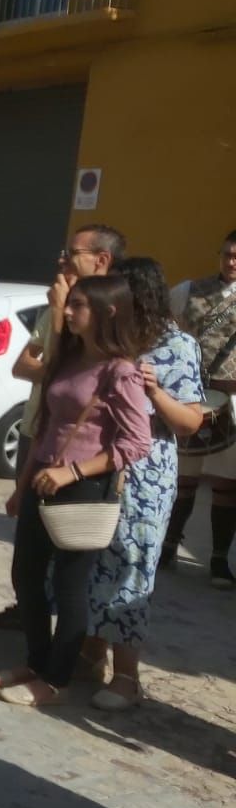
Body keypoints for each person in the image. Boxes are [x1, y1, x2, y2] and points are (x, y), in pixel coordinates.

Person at [0, 274, 152, 707]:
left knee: (69, 586)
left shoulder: (120, 371)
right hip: (42, 475)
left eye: (77, 305)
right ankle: (36, 660)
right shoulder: (68, 358)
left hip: (83, 486)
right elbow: (46, 427)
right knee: (25, 575)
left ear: (108, 311)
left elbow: (136, 442)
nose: (67, 311)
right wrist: (23, 483)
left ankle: (56, 679)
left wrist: (75, 472)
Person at [0, 224, 125, 630]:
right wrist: (54, 324)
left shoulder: (104, 311)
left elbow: (58, 366)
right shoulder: (53, 307)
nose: (61, 259)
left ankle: (64, 644)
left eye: (72, 252)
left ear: (102, 259)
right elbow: (24, 365)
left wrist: (60, 319)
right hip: (37, 428)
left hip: (80, 452)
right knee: (29, 542)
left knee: (71, 555)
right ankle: (30, 613)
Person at [77, 258, 203, 709]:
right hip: (101, 462)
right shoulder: (113, 340)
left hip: (147, 476)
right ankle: (89, 655)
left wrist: (155, 392)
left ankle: (126, 677)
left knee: (132, 564)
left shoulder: (178, 345)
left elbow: (190, 422)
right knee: (93, 559)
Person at [165, 229, 236, 587]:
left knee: (227, 483)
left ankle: (219, 559)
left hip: (234, 398)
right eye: (226, 254)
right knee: (184, 477)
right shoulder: (189, 290)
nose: (231, 261)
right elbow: (165, 328)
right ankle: (168, 545)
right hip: (191, 395)